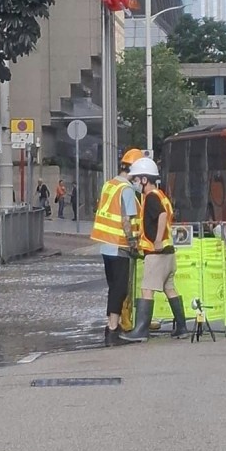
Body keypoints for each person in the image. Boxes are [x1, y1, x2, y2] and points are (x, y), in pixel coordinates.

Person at [122, 157, 187, 340]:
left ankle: (141, 331)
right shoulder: (161, 195)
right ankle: (181, 327)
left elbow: (162, 215)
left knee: (146, 289)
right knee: (169, 289)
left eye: (136, 179)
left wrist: (157, 240)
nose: (134, 183)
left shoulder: (151, 197)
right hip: (168, 252)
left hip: (156, 253)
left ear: (144, 179)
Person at [91, 148, 143, 345]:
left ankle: (113, 325)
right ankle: (112, 330)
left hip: (106, 245)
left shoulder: (109, 185)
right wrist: (133, 244)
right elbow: (126, 220)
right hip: (120, 245)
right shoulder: (127, 190)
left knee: (113, 286)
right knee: (119, 289)